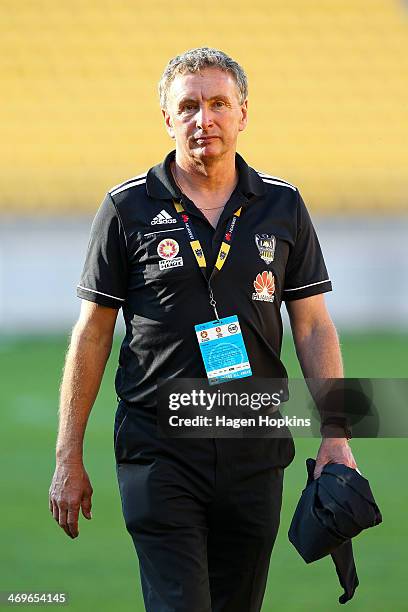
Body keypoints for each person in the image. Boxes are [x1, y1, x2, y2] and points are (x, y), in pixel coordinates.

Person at [49, 47, 357, 612]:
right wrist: (68, 455)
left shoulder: (283, 205)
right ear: (166, 118)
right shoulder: (126, 209)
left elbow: (313, 326)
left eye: (218, 104)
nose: (203, 119)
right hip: (159, 452)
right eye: (188, 106)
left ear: (243, 113)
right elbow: (92, 332)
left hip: (255, 451)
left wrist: (336, 434)